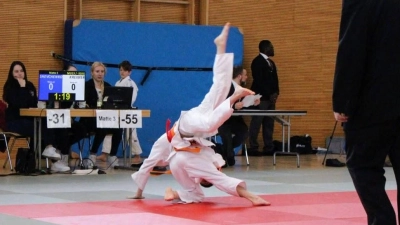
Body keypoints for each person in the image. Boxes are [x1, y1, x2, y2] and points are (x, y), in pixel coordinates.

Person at [164, 23, 269, 206]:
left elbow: (220, 181)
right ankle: (220, 47)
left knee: (211, 120)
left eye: (209, 176)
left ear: (202, 177)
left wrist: (252, 196)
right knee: (220, 87)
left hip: (189, 124)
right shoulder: (197, 161)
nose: (216, 171)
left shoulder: (199, 165)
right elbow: (212, 185)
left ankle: (231, 88)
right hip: (197, 122)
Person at [332, 1, 400, 224]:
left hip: (373, 101)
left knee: (363, 165)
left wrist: (343, 101)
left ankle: (382, 220)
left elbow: (352, 46)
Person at [40, 64, 87, 172]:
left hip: (69, 119)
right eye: (70, 73)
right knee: (63, 129)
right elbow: (53, 106)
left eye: (75, 73)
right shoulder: (57, 85)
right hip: (55, 119)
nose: (73, 75)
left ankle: (60, 151)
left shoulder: (76, 88)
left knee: (82, 129)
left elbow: (76, 107)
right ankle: (61, 159)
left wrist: (72, 116)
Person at [97, 60, 143, 166]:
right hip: (116, 111)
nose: (122, 72)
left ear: (129, 72)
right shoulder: (118, 83)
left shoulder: (131, 83)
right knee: (110, 131)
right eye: (121, 70)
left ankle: (137, 155)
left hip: (127, 111)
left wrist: (123, 105)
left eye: (125, 70)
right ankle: (105, 153)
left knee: (130, 133)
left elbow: (132, 99)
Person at [79, 62, 122, 168]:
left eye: (102, 71)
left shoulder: (108, 86)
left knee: (119, 127)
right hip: (89, 120)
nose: (100, 74)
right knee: (102, 126)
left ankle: (112, 155)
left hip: (104, 118)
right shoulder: (86, 85)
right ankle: (92, 154)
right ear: (92, 73)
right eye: (97, 71)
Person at [217, 66, 259, 166]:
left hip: (236, 120)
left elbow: (244, 105)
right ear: (239, 76)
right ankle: (228, 154)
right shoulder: (225, 87)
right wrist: (233, 105)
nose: (247, 77)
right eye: (245, 75)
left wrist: (254, 102)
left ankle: (225, 151)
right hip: (224, 120)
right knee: (226, 135)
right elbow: (219, 103)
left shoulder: (242, 90)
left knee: (244, 132)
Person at [248, 40, 279, 155]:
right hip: (261, 98)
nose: (273, 49)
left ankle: (268, 147)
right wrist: (269, 94)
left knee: (269, 123)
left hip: (271, 99)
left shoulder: (271, 63)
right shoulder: (257, 62)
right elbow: (259, 81)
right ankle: (253, 147)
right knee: (256, 122)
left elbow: (275, 79)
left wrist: (276, 93)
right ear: (265, 48)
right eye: (271, 47)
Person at [2, 61, 37, 153]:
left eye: (21, 71)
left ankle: (36, 154)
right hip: (14, 121)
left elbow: (34, 103)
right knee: (37, 128)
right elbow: (20, 104)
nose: (20, 73)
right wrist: (22, 87)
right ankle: (34, 155)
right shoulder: (9, 87)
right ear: (12, 73)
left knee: (44, 125)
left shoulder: (30, 85)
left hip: (28, 119)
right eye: (16, 71)